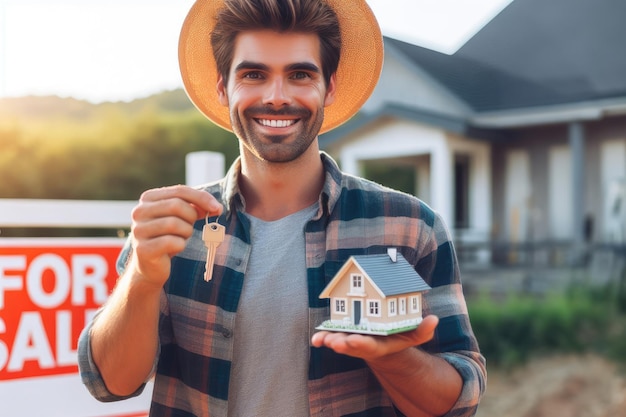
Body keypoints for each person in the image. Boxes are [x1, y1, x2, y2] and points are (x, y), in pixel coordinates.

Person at [78, 0, 486, 416]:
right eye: (254, 74)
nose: (276, 97)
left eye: (300, 75)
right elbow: (110, 384)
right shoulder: (176, 226)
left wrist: (391, 357)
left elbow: (458, 403)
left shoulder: (410, 226)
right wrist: (143, 279)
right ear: (223, 87)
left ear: (329, 87)